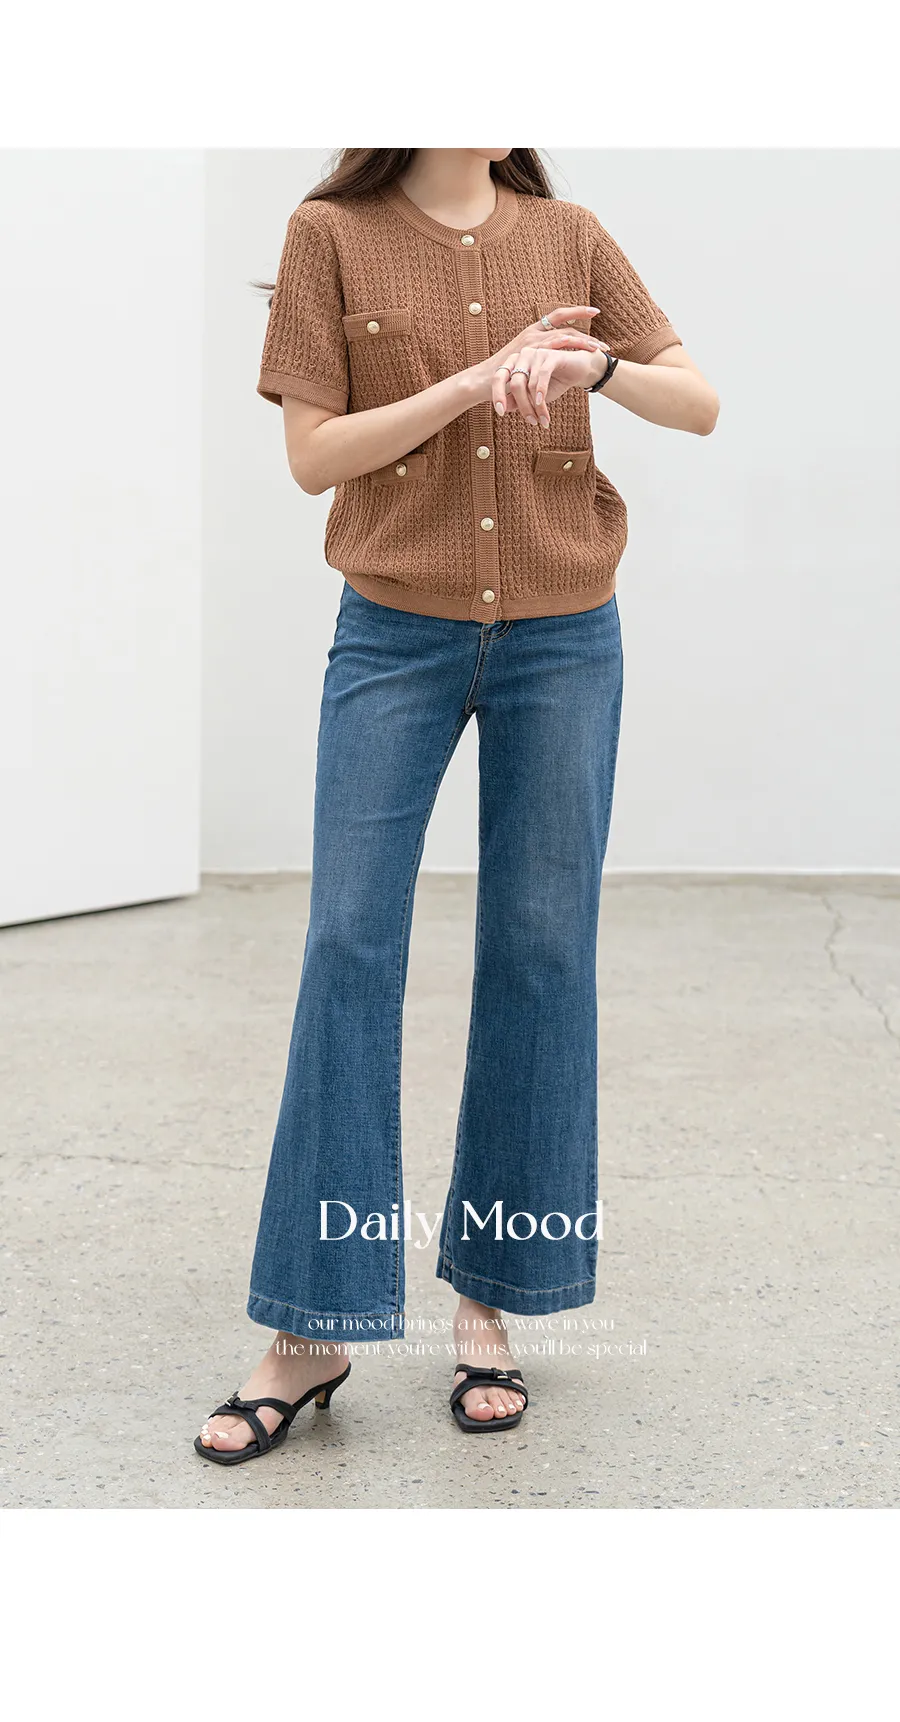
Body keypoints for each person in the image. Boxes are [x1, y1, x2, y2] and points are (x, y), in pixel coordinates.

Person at [196, 147, 718, 1463]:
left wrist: (598, 368)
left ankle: (493, 1303)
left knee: (541, 951)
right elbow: (314, 456)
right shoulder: (329, 234)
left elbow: (699, 401)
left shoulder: (570, 231)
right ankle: (312, 1327)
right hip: (394, 637)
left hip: (566, 640)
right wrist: (476, 381)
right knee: (347, 945)